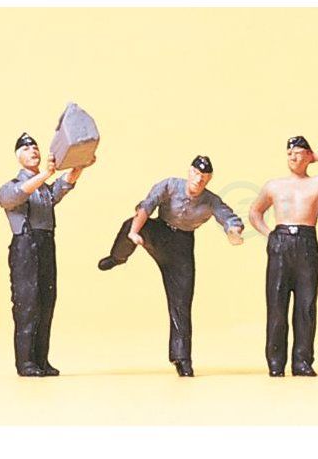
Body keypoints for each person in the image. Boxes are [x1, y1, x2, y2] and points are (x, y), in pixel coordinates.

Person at [97, 155, 244, 377]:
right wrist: (135, 232)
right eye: (196, 174)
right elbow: (147, 205)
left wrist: (233, 231)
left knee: (181, 302)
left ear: (209, 179)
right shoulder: (170, 185)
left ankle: (181, 358)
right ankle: (117, 257)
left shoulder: (210, 200)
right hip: (159, 231)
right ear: (190, 171)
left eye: (204, 177)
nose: (199, 180)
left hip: (181, 247)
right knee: (130, 225)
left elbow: (229, 217)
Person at [248, 136, 318, 376]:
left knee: (306, 305)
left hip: (306, 241)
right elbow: (255, 212)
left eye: (298, 152)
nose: (293, 157)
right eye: (289, 153)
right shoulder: (274, 185)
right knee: (276, 304)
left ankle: (302, 361)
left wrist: (313, 155)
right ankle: (275, 362)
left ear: (308, 155)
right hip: (281, 241)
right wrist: (270, 234)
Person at [0, 132, 93, 377]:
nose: (33, 151)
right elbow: (15, 196)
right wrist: (46, 174)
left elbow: (62, 186)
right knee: (27, 305)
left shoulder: (43, 189)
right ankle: (26, 362)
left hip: (46, 246)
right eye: (26, 148)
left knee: (46, 303)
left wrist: (79, 164)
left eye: (35, 147)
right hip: (25, 248)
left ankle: (41, 359)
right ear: (18, 156)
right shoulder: (12, 186)